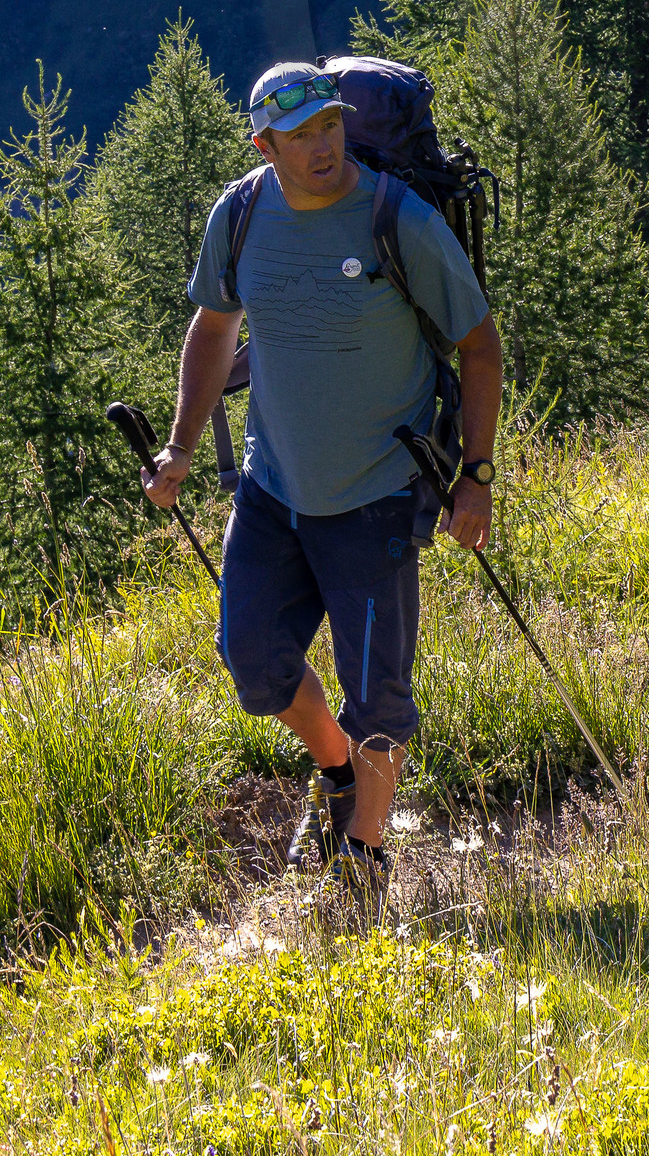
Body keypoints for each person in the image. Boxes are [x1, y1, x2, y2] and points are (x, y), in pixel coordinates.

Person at [142, 61, 504, 887]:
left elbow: (479, 347)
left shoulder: (394, 218)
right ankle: (336, 768)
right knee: (256, 663)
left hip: (376, 499)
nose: (323, 146)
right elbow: (211, 327)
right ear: (265, 144)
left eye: (332, 126)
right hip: (274, 492)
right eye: (301, 134)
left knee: (379, 695)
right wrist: (181, 446)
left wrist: (475, 476)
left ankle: (363, 854)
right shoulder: (239, 217)